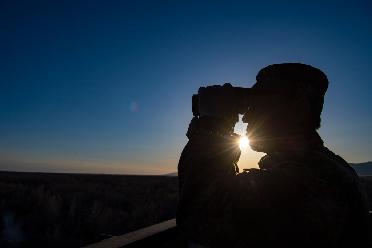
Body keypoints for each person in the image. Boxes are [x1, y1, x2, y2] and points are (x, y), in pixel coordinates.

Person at [177, 63, 370, 247]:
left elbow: (198, 218)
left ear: (298, 108)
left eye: (259, 103)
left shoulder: (311, 180)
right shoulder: (324, 166)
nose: (245, 117)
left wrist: (212, 127)